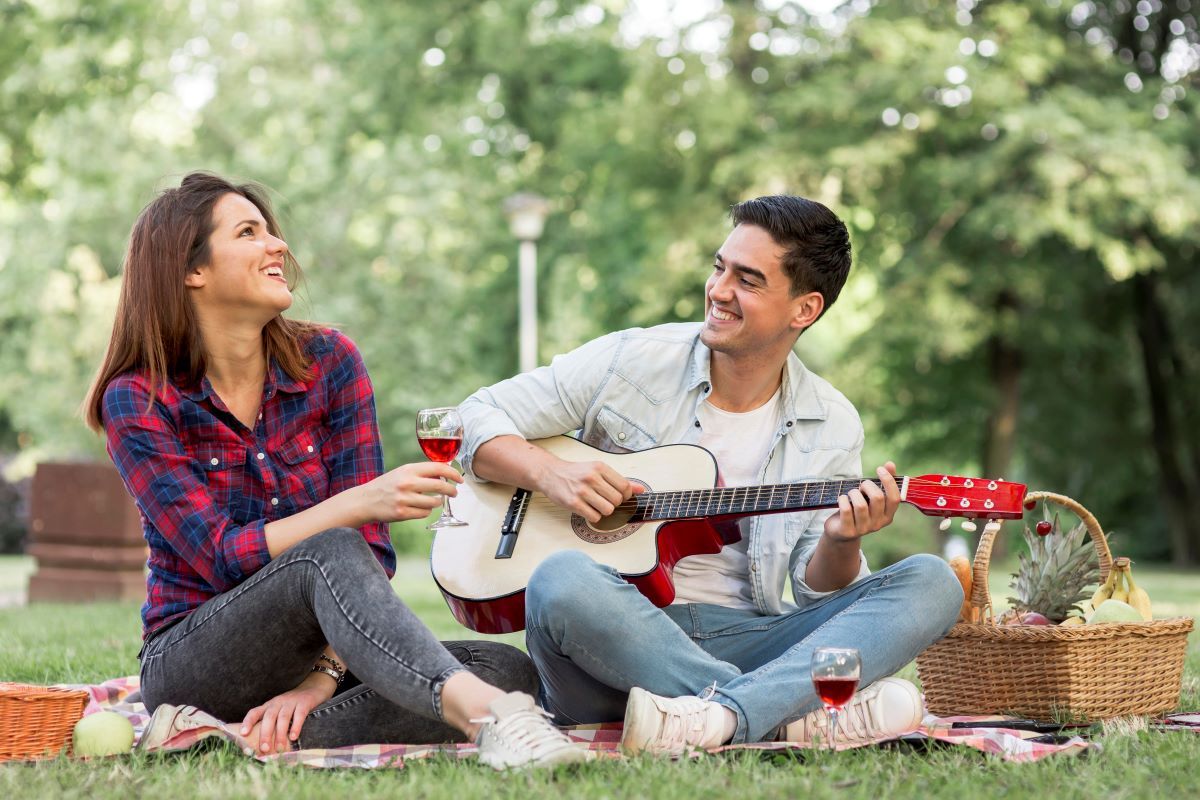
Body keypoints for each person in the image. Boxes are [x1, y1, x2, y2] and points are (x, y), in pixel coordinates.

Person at [83, 172, 585, 769]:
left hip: (326, 656)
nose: (279, 247)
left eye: (273, 231)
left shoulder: (329, 362)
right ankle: (493, 718)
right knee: (330, 547)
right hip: (197, 657)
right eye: (249, 232)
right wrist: (358, 503)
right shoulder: (138, 400)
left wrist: (319, 681)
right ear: (192, 270)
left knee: (507, 667)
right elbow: (221, 555)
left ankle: (252, 735)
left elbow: (372, 553)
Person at [458, 195, 963, 754]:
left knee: (933, 582)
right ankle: (780, 718)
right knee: (561, 578)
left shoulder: (832, 422)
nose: (719, 290)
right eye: (719, 267)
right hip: (611, 642)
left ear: (804, 309)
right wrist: (553, 475)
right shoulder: (630, 360)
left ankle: (716, 717)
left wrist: (841, 541)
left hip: (751, 640)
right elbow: (468, 420)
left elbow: (813, 588)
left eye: (747, 280)